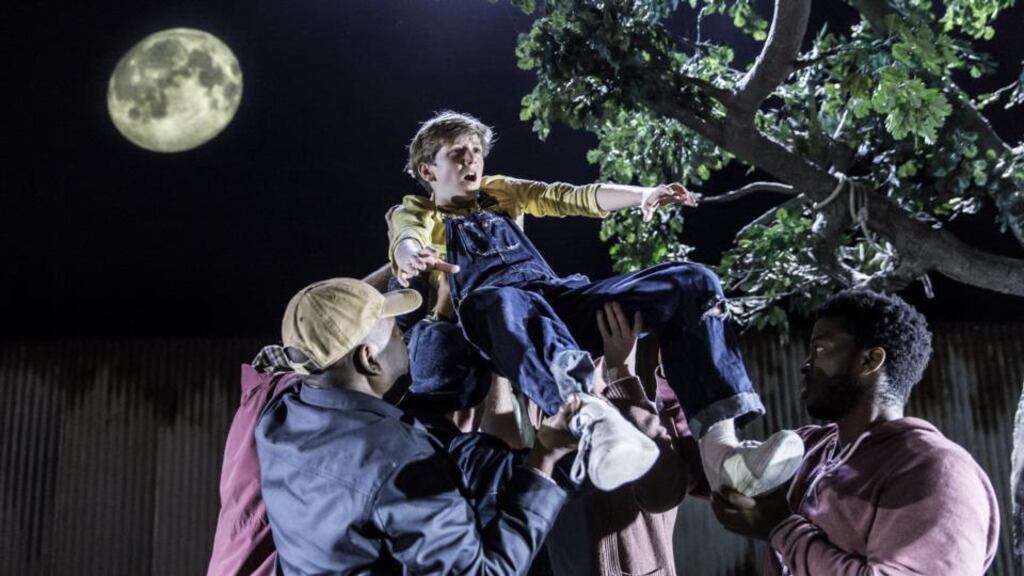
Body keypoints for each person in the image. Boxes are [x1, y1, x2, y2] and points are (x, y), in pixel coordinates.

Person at [388, 110, 802, 495]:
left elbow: (569, 197)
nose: (470, 160)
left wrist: (642, 195)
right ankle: (590, 419)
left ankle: (723, 454)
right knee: (494, 299)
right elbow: (407, 235)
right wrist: (410, 256)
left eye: (475, 151)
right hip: (492, 324)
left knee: (691, 281)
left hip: (553, 301)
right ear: (429, 170)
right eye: (457, 154)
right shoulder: (418, 211)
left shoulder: (502, 192)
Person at [255, 278, 577, 575]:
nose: (404, 339)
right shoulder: (401, 460)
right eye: (396, 331)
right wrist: (544, 458)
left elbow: (323, 338)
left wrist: (403, 265)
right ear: (369, 359)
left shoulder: (277, 417)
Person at [711, 289, 1000, 575]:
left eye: (821, 349)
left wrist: (782, 529)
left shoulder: (936, 471)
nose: (806, 365)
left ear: (870, 361)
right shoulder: (811, 448)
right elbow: (718, 470)